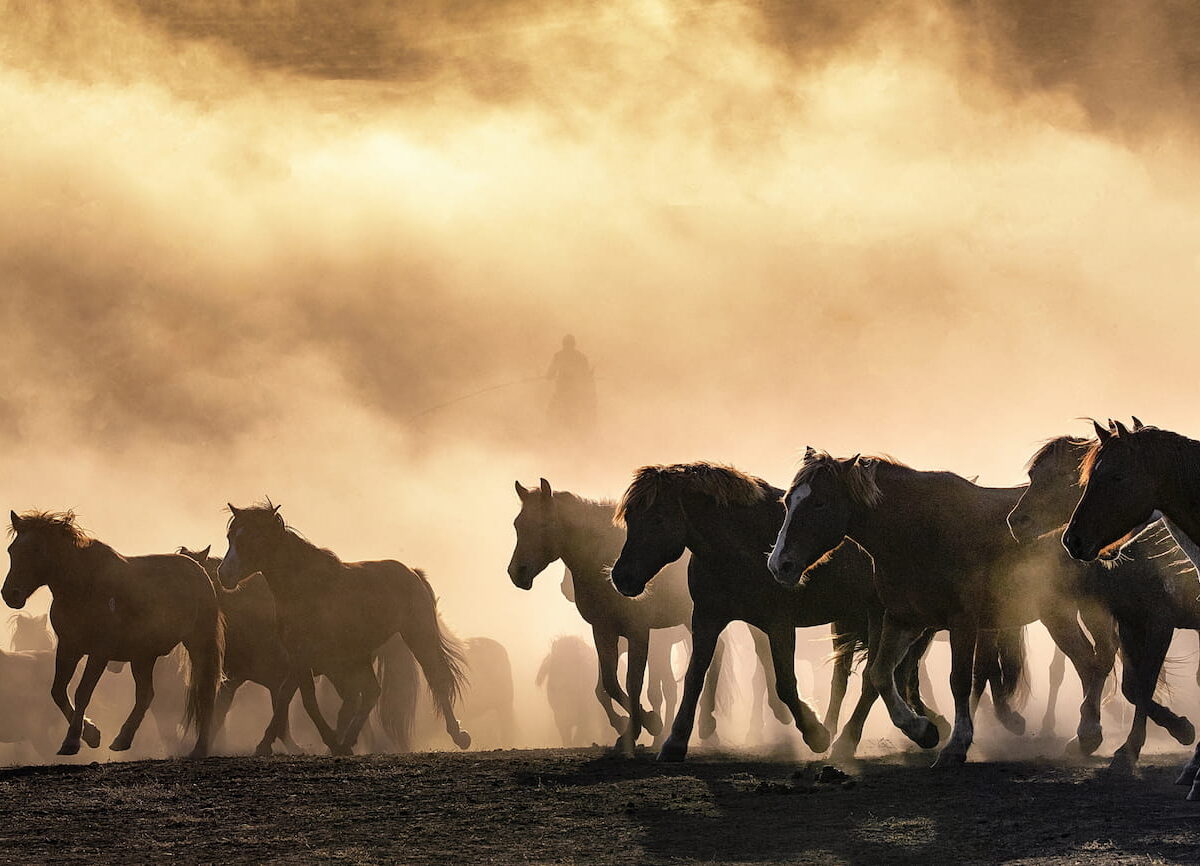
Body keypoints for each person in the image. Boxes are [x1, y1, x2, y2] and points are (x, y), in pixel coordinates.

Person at [546, 335, 596, 433]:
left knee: (550, 412)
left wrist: (548, 376)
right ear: (574, 344)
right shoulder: (581, 357)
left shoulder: (558, 356)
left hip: (561, 392)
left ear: (563, 344)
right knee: (573, 416)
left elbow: (549, 375)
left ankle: (552, 433)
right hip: (575, 393)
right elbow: (586, 376)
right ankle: (573, 435)